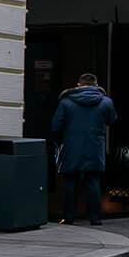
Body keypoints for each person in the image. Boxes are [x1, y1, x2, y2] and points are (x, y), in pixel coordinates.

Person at [50, 73, 116, 225]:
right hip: (94, 147)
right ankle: (95, 218)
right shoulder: (106, 102)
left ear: (78, 85)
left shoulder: (66, 102)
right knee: (92, 181)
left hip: (71, 146)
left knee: (70, 182)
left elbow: (56, 126)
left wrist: (60, 142)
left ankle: (68, 217)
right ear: (96, 84)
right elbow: (112, 120)